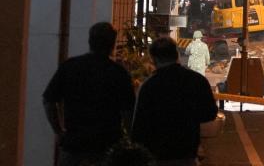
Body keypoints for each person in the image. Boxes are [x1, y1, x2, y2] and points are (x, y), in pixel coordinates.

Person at [42, 22, 136, 166]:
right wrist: (130, 141)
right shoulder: (118, 73)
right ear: (112, 44)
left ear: (90, 41)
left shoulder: (70, 66)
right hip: (107, 146)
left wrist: (59, 131)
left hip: (74, 144)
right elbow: (128, 113)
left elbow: (49, 100)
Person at [132, 36, 218, 165]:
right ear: (177, 54)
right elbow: (210, 113)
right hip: (187, 154)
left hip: (158, 156)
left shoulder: (148, 86)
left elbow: (138, 129)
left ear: (153, 59)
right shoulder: (197, 80)